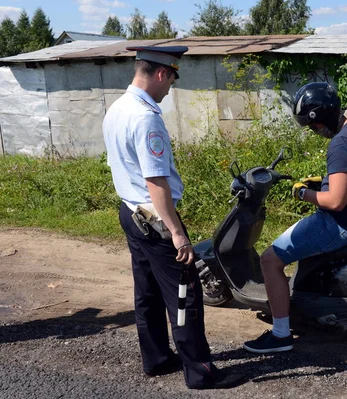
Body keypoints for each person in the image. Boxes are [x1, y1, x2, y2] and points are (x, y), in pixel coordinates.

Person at [102, 45, 244, 389]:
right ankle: (200, 372)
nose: (170, 89)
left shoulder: (117, 108)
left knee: (147, 293)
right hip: (154, 219)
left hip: (130, 212)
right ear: (162, 73)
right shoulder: (145, 117)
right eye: (171, 81)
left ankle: (156, 359)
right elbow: (155, 180)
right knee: (186, 292)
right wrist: (177, 232)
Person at [243, 82, 347, 353]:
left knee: (270, 259)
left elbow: (336, 202)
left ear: (324, 118)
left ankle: (281, 335)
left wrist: (303, 193)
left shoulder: (341, 143)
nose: (314, 131)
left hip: (342, 223)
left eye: (313, 126)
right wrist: (327, 180)